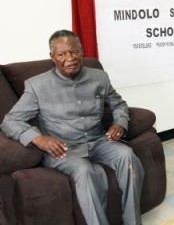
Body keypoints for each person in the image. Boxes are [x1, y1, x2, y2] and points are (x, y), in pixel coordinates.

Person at [1, 30, 144, 225]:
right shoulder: (37, 86)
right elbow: (10, 121)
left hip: (99, 140)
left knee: (127, 156)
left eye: (74, 51)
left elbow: (118, 104)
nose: (70, 58)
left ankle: (132, 221)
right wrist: (38, 138)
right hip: (64, 148)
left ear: (81, 51)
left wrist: (120, 123)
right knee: (85, 172)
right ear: (53, 58)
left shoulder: (99, 77)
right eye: (62, 54)